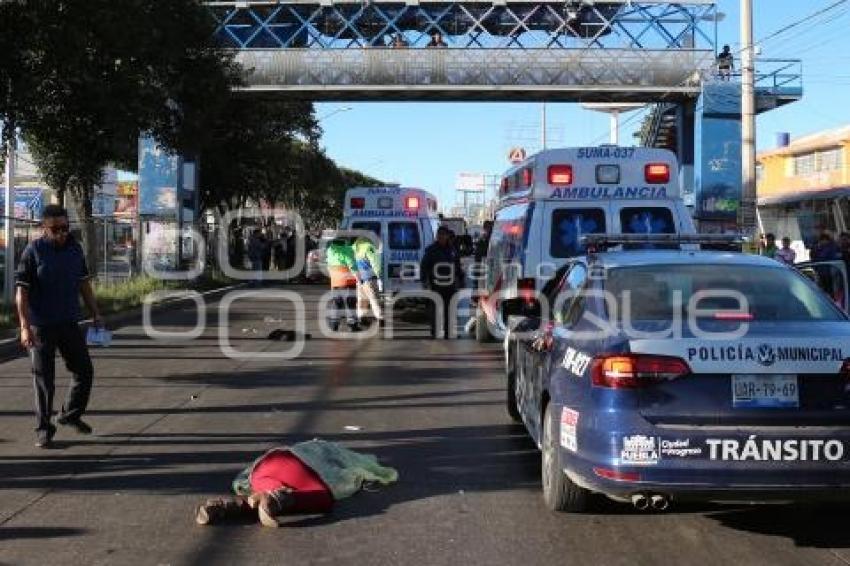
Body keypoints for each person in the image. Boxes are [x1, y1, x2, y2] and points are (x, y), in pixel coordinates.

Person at [15, 205, 102, 448]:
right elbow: (21, 292)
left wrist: (95, 312)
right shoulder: (33, 252)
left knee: (84, 370)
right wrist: (24, 326)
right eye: (56, 229)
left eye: (65, 228)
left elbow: (84, 284)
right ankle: (44, 429)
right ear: (44, 229)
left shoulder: (74, 249)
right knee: (44, 379)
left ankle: (70, 414)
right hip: (41, 326)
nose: (62, 233)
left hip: (68, 322)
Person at [195, 439, 397, 528]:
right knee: (324, 499)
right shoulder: (332, 453)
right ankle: (274, 498)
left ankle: (225, 506)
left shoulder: (304, 447)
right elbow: (354, 468)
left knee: (261, 499)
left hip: (262, 471)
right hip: (295, 472)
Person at [421, 226, 465, 339]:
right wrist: (425, 282)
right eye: (439, 235)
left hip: (450, 285)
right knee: (436, 309)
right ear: (437, 236)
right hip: (436, 285)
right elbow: (424, 266)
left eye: (444, 235)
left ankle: (448, 332)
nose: (441, 237)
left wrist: (461, 280)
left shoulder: (452, 250)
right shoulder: (431, 250)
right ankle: (435, 332)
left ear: (447, 236)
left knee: (450, 309)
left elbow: (457, 266)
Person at [325, 238, 359, 332]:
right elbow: (352, 265)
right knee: (350, 303)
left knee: (337, 303)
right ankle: (352, 325)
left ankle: (334, 325)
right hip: (348, 282)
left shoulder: (330, 251)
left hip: (335, 282)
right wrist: (359, 278)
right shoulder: (347, 250)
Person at [353, 236, 384, 327]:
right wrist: (378, 274)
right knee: (374, 298)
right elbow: (375, 261)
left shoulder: (354, 248)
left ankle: (362, 317)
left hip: (359, 279)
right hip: (369, 277)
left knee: (362, 299)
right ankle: (380, 318)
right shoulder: (368, 247)